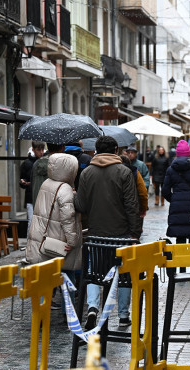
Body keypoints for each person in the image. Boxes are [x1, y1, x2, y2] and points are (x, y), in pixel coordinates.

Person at [75, 135, 141, 329]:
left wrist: (73, 196)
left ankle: (93, 308)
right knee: (123, 273)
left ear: (96, 151)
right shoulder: (124, 171)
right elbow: (131, 204)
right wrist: (135, 232)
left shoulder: (87, 173)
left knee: (94, 271)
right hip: (121, 233)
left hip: (96, 234)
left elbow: (81, 205)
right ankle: (122, 315)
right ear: (115, 150)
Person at [26, 152, 83, 302]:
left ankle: (41, 309)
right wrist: (72, 241)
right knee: (67, 276)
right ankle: (68, 312)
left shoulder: (46, 183)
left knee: (46, 277)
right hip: (59, 241)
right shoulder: (64, 188)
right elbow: (68, 218)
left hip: (44, 237)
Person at [163, 140, 190, 244]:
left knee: (180, 237)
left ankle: (180, 258)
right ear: (188, 152)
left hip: (177, 205)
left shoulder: (170, 169)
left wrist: (174, 199)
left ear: (177, 153)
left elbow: (165, 191)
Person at [19, 141, 45, 234]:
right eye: (38, 150)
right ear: (33, 150)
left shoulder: (45, 162)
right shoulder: (27, 163)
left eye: (42, 149)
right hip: (31, 197)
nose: (41, 152)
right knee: (31, 221)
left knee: (41, 222)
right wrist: (23, 182)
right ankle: (29, 244)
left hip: (42, 196)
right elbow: (21, 180)